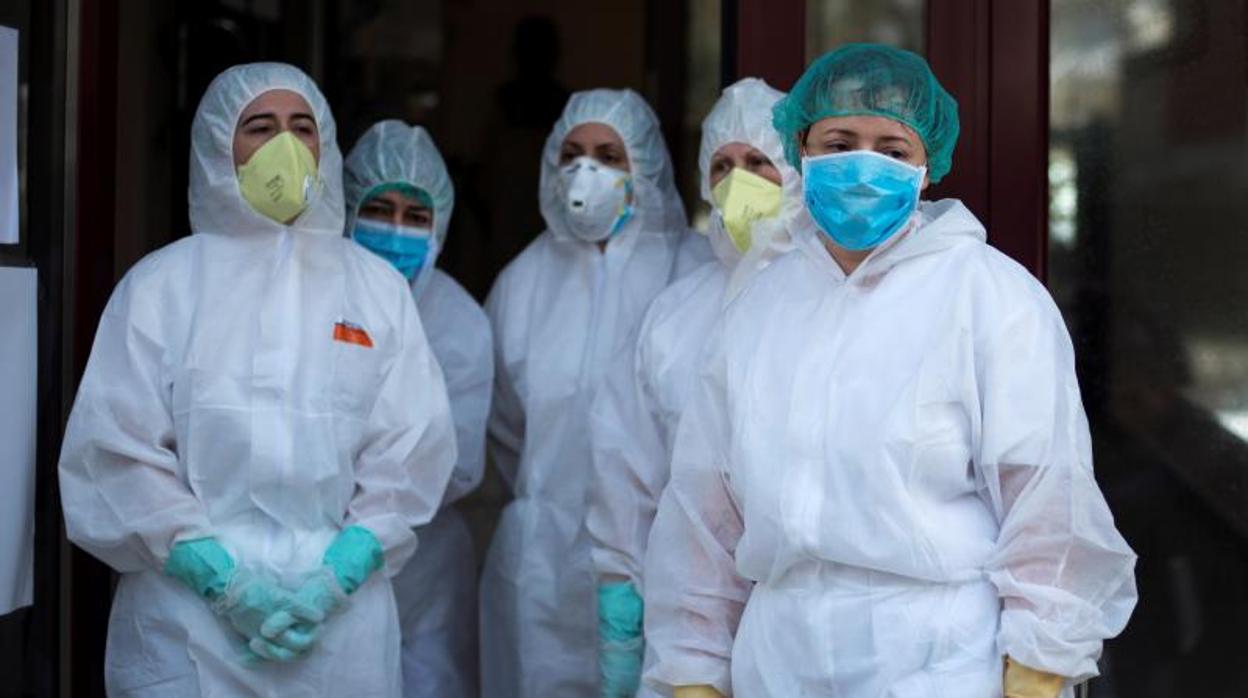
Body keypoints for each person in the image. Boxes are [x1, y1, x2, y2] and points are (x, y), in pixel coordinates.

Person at [643, 44, 1138, 698]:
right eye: (840, 141)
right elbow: (705, 513)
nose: (863, 165)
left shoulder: (990, 299)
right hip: (779, 657)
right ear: (800, 155)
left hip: (938, 660)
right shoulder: (757, 309)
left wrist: (1039, 671)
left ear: (927, 167)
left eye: (892, 149)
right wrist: (693, 672)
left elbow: (1048, 505)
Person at [58, 63, 457, 697]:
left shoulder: (375, 289)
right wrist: (218, 579)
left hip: (339, 630)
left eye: (302, 128)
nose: (284, 148)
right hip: (186, 625)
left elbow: (411, 449)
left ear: (324, 147)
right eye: (260, 128)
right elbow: (114, 451)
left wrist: (338, 575)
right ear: (220, 144)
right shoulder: (161, 286)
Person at [586, 77, 794, 698]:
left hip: (801, 622)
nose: (740, 182)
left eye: (760, 162)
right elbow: (626, 466)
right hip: (687, 633)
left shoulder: (836, 303)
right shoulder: (674, 317)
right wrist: (621, 605)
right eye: (723, 166)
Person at [480, 88, 690, 697]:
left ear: (644, 167)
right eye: (571, 153)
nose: (585, 171)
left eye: (608, 155)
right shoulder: (522, 283)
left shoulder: (690, 271)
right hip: (540, 565)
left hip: (662, 565)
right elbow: (503, 430)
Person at [343, 119, 492, 698]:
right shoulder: (313, 296)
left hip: (426, 564)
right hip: (312, 549)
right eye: (380, 209)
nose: (396, 229)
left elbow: (456, 465)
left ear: (440, 226)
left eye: (416, 216)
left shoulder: (459, 322)